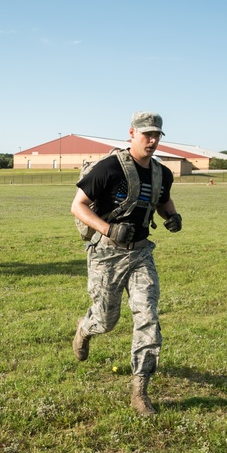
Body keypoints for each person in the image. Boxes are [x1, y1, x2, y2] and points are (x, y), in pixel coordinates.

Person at [69, 111, 182, 416]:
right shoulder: (109, 168)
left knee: (148, 317)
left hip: (142, 253)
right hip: (107, 254)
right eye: (147, 134)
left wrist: (171, 215)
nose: (153, 140)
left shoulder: (162, 173)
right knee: (106, 320)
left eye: (157, 134)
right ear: (131, 134)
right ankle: (85, 328)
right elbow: (77, 205)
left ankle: (140, 391)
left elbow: (161, 199)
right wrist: (108, 228)